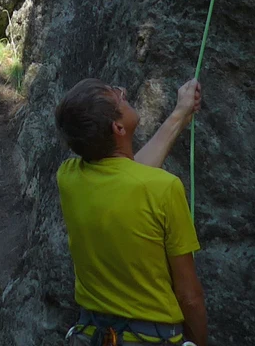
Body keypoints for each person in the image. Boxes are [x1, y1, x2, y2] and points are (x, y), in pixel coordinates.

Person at [56, 77, 209, 346]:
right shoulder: (163, 188)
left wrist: (179, 115)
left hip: (91, 336)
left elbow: (128, 174)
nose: (123, 90)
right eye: (119, 97)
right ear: (117, 127)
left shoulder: (68, 178)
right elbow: (189, 296)